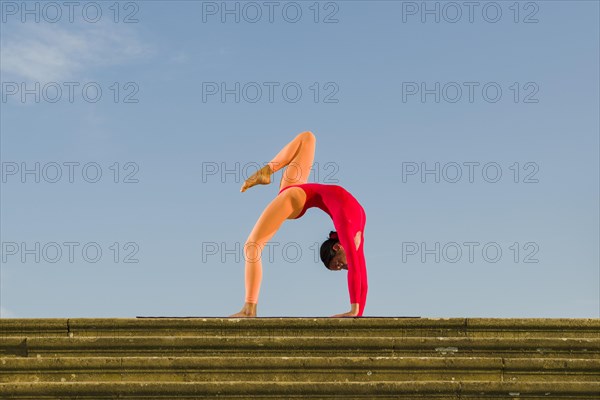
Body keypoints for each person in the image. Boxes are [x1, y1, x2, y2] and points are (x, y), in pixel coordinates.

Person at [228, 131, 368, 318]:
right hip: (295, 196)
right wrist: (355, 310)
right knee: (252, 246)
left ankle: (267, 171)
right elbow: (358, 273)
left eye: (339, 267)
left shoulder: (354, 240)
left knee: (307, 138)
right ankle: (249, 308)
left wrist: (358, 315)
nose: (344, 267)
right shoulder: (347, 229)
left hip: (300, 195)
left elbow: (363, 279)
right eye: (339, 264)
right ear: (337, 246)